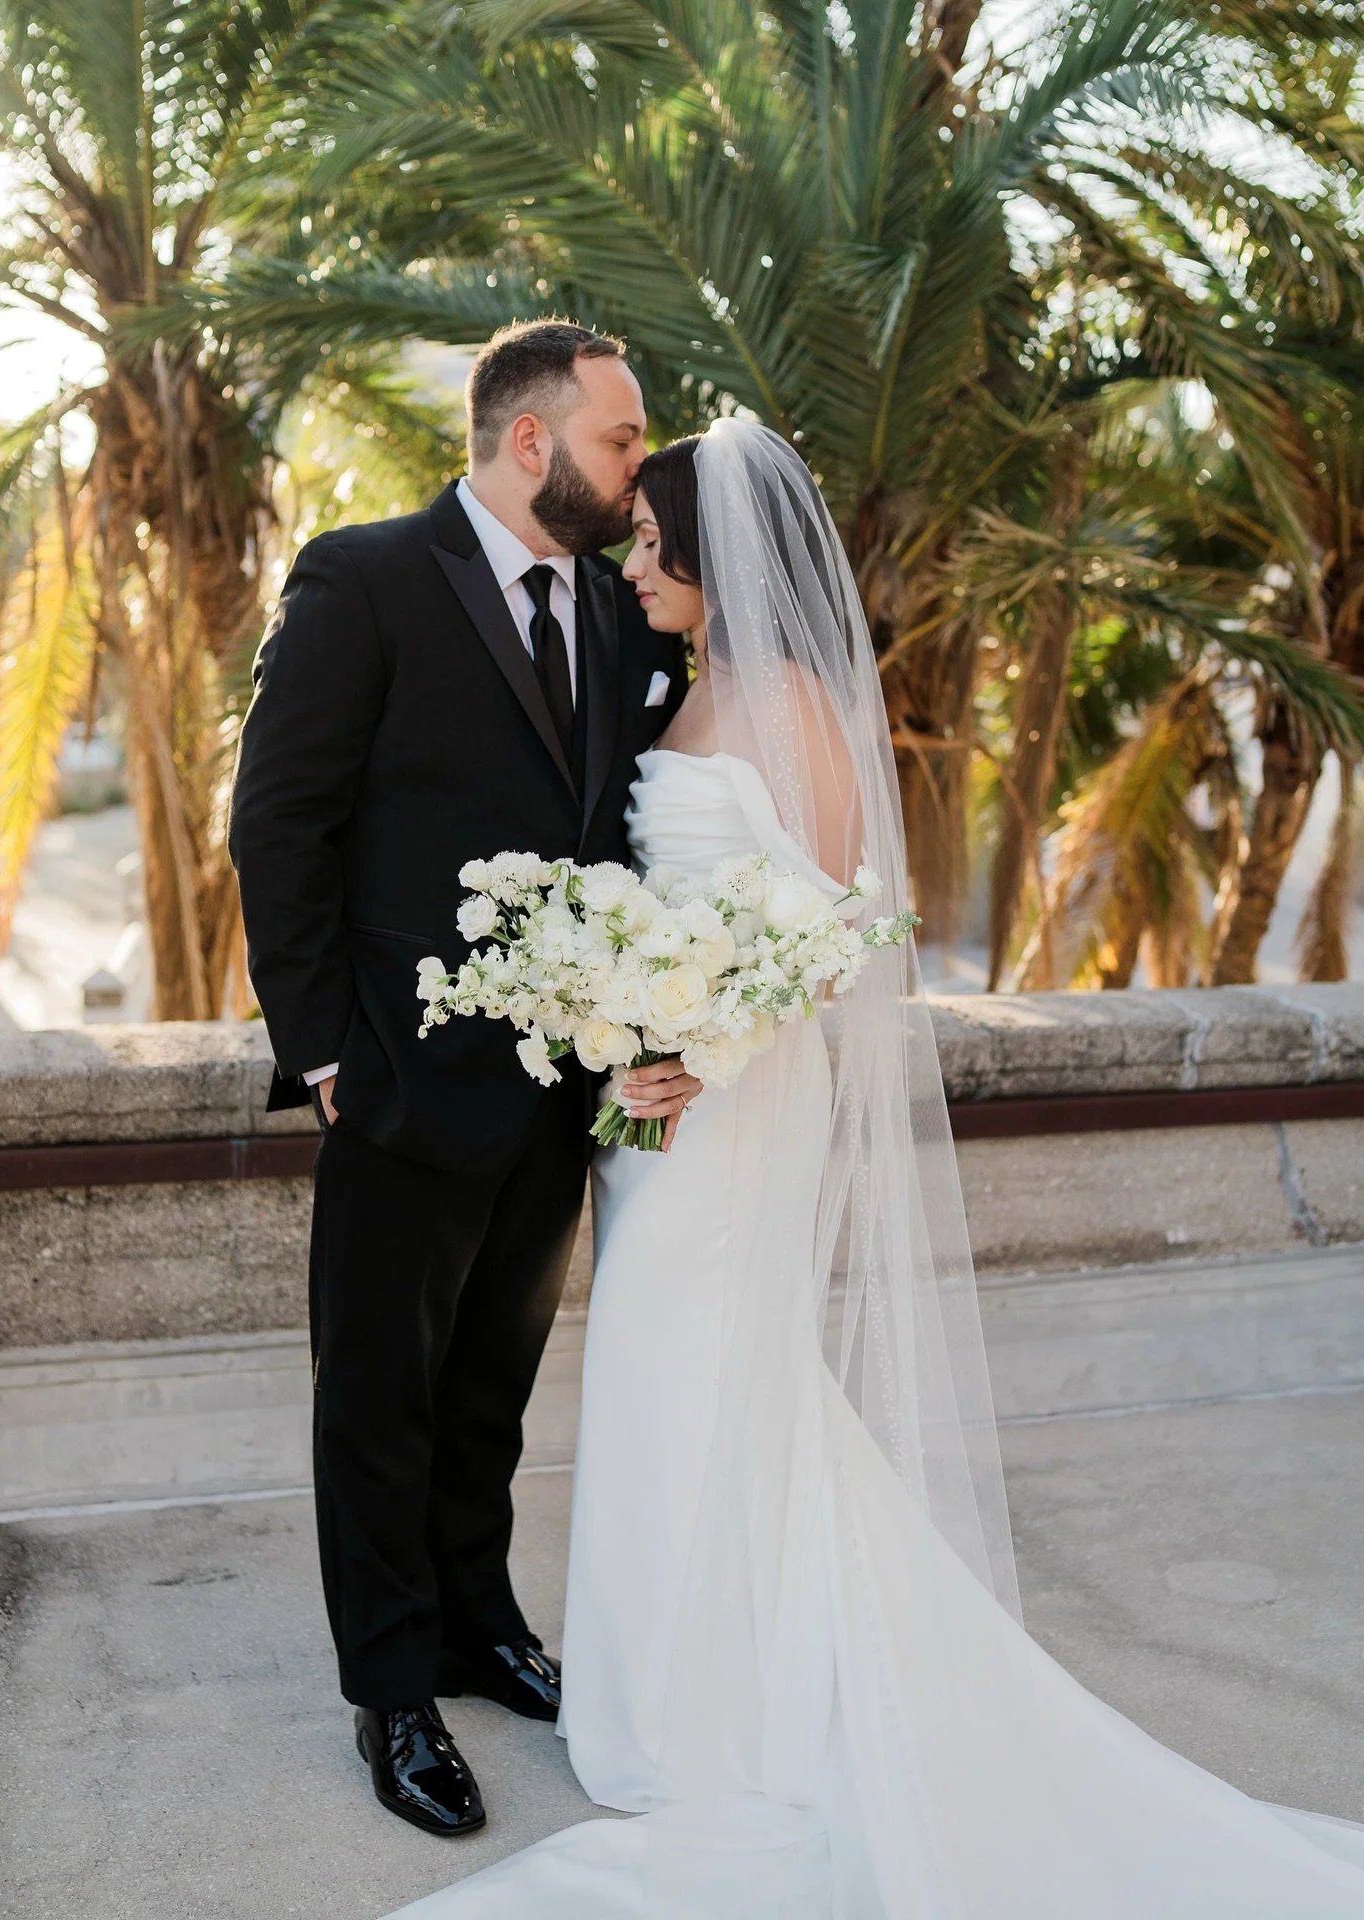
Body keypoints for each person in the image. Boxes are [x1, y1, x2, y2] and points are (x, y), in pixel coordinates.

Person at [386, 419, 1364, 1915]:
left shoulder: (797, 708)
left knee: (706, 1366)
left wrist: (702, 1049)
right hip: (659, 1100)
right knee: (668, 1377)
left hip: (733, 1102)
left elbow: (835, 928)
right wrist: (622, 1008)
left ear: (720, 563)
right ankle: (670, 1688)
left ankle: (721, 1710)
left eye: (654, 545)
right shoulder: (688, 685)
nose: (633, 564)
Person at [228, 321, 699, 1838]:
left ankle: (477, 1626)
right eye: (624, 444)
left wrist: (644, 1026)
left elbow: (619, 829)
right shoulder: (363, 580)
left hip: (561, 1096)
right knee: (380, 1395)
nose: (640, 480)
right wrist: (326, 1061)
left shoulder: (626, 621)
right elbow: (277, 825)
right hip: (399, 1085)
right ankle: (391, 1690)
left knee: (491, 1392)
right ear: (528, 442)